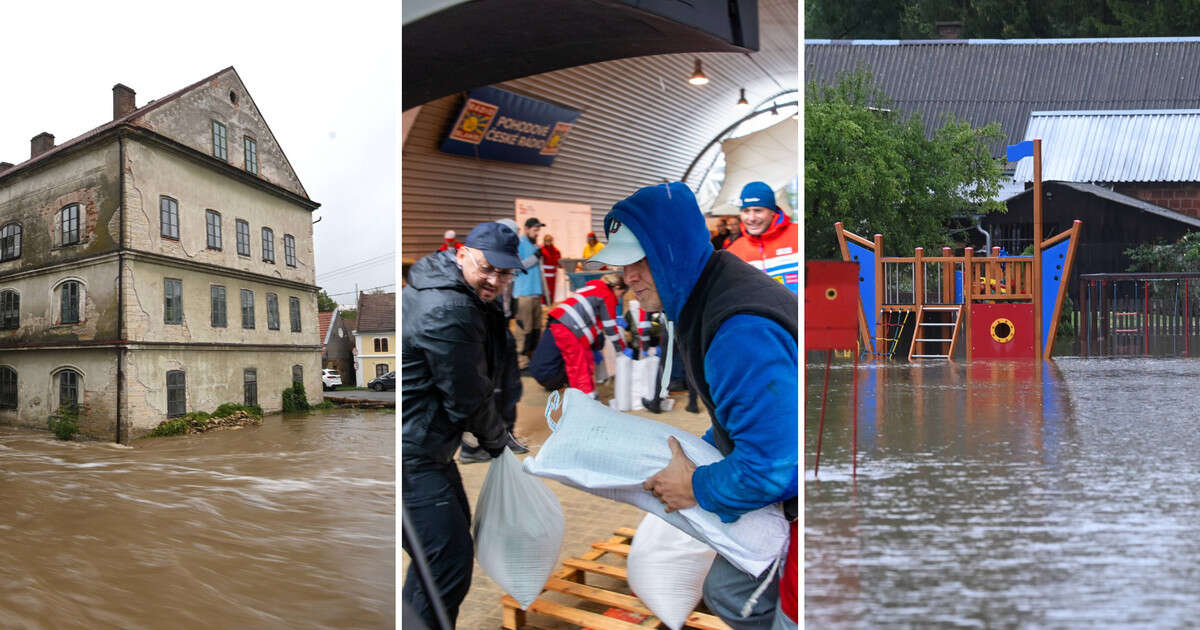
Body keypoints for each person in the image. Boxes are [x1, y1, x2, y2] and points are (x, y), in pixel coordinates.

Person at [587, 182, 798, 629]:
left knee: (785, 615)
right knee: (724, 589)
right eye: (624, 265)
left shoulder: (739, 332)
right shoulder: (705, 293)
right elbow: (737, 414)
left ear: (671, 251)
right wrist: (698, 452)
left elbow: (776, 468)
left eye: (640, 262)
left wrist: (696, 487)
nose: (630, 278)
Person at [401, 221, 524, 627]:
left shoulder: (456, 291)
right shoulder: (448, 308)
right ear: (461, 255)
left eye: (504, 274)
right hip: (410, 454)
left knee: (437, 561)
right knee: (445, 567)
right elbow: (468, 395)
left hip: (427, 447)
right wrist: (498, 443)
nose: (493, 280)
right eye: (486, 268)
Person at [527, 273, 627, 397]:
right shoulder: (607, 294)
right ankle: (587, 401)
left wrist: (597, 345)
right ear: (616, 287)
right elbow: (610, 328)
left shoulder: (591, 288)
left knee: (581, 361)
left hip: (558, 321)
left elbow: (593, 319)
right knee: (579, 365)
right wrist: (621, 350)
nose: (619, 298)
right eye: (621, 294)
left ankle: (586, 394)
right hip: (568, 328)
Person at [725, 181, 800, 293]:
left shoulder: (797, 234)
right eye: (746, 211)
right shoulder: (733, 252)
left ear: (772, 212)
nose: (752, 218)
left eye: (758, 211)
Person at [511, 217, 546, 368]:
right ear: (526, 228)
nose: (537, 232)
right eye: (534, 229)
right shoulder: (519, 244)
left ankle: (533, 360)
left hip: (535, 294)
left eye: (538, 230)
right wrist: (535, 258)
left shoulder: (534, 245)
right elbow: (516, 267)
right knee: (524, 330)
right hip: (523, 294)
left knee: (536, 329)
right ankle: (521, 363)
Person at [540, 234, 562, 303]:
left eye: (549, 241)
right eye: (546, 241)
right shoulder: (541, 250)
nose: (548, 242)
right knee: (543, 293)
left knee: (552, 292)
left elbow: (559, 262)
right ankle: (543, 305)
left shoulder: (555, 250)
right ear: (544, 241)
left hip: (552, 276)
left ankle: (550, 304)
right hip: (543, 275)